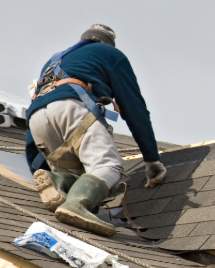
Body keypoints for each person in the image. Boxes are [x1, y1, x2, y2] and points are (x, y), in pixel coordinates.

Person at [24, 24, 166, 236]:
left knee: (78, 174)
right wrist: (151, 159)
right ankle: (76, 205)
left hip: (36, 118)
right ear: (107, 43)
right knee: (108, 167)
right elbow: (133, 107)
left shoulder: (53, 61)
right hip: (70, 106)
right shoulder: (110, 54)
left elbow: (40, 103)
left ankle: (58, 181)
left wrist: (35, 165)